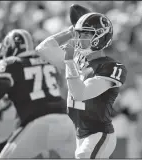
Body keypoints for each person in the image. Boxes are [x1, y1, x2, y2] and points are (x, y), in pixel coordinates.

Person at [36, 12, 127, 159]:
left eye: (86, 34)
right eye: (79, 34)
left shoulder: (111, 66)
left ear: (101, 36)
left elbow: (81, 94)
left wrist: (70, 62)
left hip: (98, 133)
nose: (79, 38)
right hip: (79, 133)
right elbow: (43, 48)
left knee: (83, 155)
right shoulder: (78, 61)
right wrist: (70, 31)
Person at [0, 29, 76, 158]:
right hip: (66, 121)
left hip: (37, 124)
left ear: (11, 47)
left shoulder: (11, 63)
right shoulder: (46, 60)